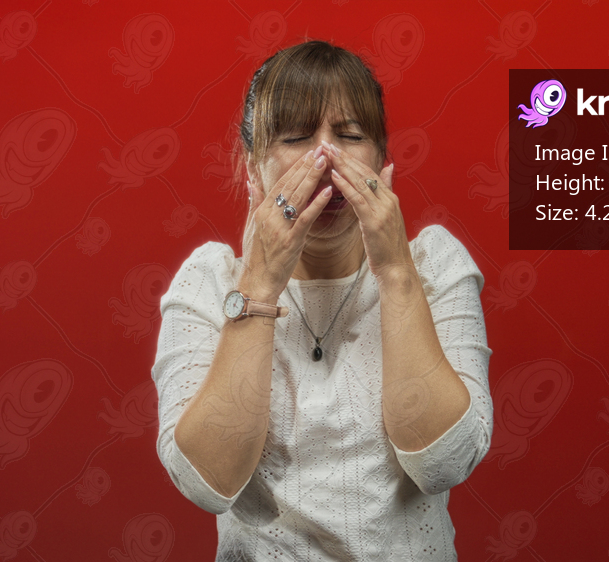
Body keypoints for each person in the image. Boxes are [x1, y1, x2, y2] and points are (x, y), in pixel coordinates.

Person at [152, 39, 493, 561]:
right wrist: (259, 285)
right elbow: (207, 484)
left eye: (350, 135)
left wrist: (396, 274)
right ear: (252, 169)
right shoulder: (209, 282)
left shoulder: (433, 266)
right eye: (296, 137)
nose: (325, 157)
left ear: (381, 160)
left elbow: (444, 463)